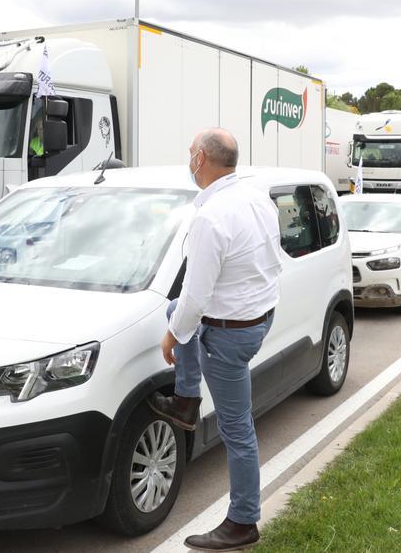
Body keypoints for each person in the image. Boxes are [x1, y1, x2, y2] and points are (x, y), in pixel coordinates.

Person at [148, 128, 281, 551]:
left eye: (191, 153)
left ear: (201, 159)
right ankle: (187, 399)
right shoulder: (257, 197)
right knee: (175, 311)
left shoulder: (210, 216)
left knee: (237, 429)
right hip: (258, 318)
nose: (189, 160)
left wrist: (171, 339)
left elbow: (195, 296)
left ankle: (243, 521)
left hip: (229, 335)